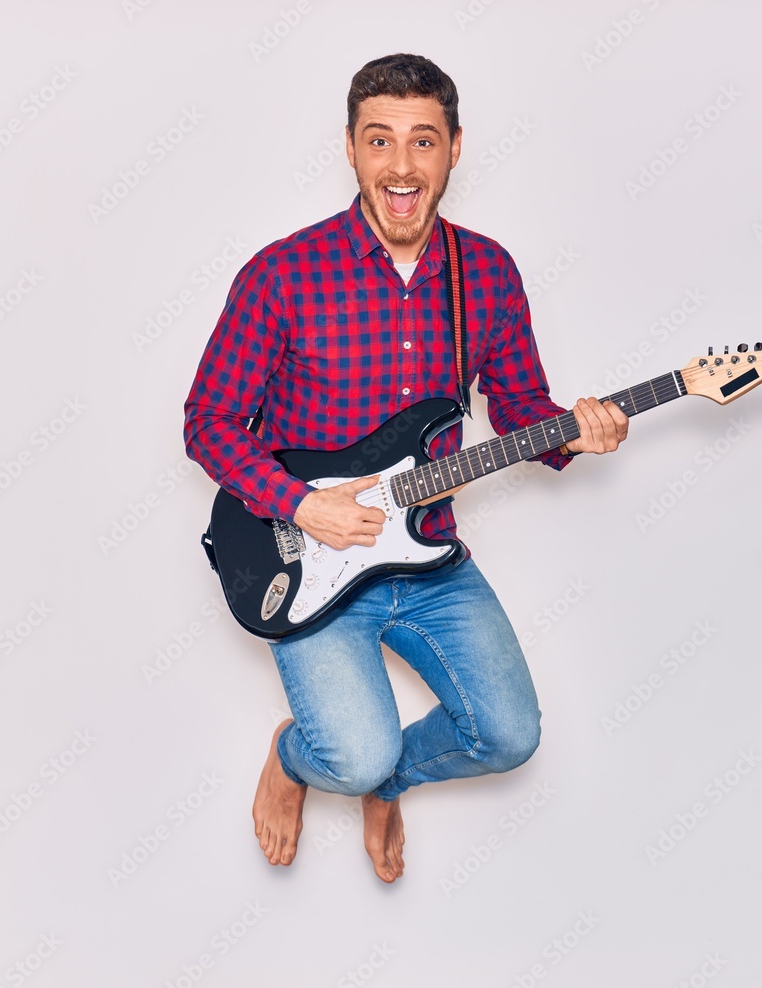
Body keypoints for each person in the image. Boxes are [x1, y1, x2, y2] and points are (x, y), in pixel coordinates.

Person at [183, 53, 628, 884]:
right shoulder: (282, 274)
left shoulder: (486, 272)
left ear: (455, 149)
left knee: (509, 736)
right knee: (348, 757)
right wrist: (300, 505)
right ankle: (302, 760)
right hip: (302, 555)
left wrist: (578, 432)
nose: (400, 165)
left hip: (426, 556)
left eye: (422, 141)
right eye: (379, 140)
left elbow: (523, 412)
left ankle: (390, 777)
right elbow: (207, 422)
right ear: (349, 149)